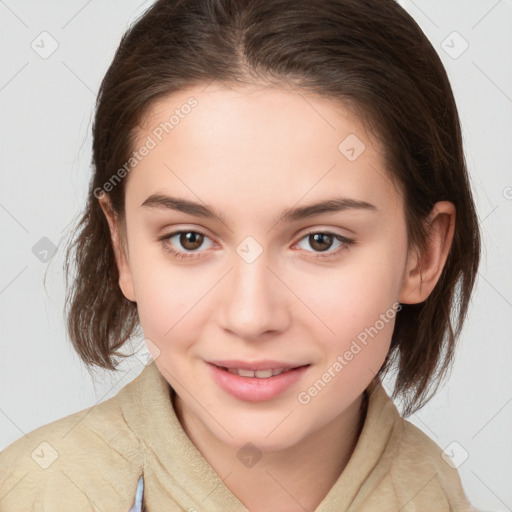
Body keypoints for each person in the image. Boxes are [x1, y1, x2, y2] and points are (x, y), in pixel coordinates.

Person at [0, 0, 482, 510]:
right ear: (122, 248)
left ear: (423, 254)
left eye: (321, 240)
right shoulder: (37, 493)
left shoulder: (437, 494)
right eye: (189, 239)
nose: (251, 317)